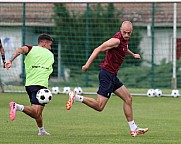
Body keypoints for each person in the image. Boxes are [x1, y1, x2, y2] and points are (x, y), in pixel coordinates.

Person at [66, 21, 148, 137]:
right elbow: (97, 49)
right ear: (120, 29)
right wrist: (87, 65)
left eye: (129, 33)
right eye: (124, 32)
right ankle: (76, 97)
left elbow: (124, 48)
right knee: (99, 106)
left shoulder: (124, 40)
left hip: (112, 76)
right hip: (107, 74)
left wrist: (133, 54)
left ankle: (133, 128)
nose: (126, 35)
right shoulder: (116, 40)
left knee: (128, 98)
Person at [5, 34, 54, 136]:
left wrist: (10, 60)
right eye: (50, 45)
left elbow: (20, 50)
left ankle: (41, 130)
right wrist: (10, 60)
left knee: (37, 110)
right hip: (39, 85)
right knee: (36, 112)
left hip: (30, 84)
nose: (50, 47)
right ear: (44, 43)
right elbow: (20, 49)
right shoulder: (43, 52)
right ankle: (17, 106)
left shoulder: (32, 49)